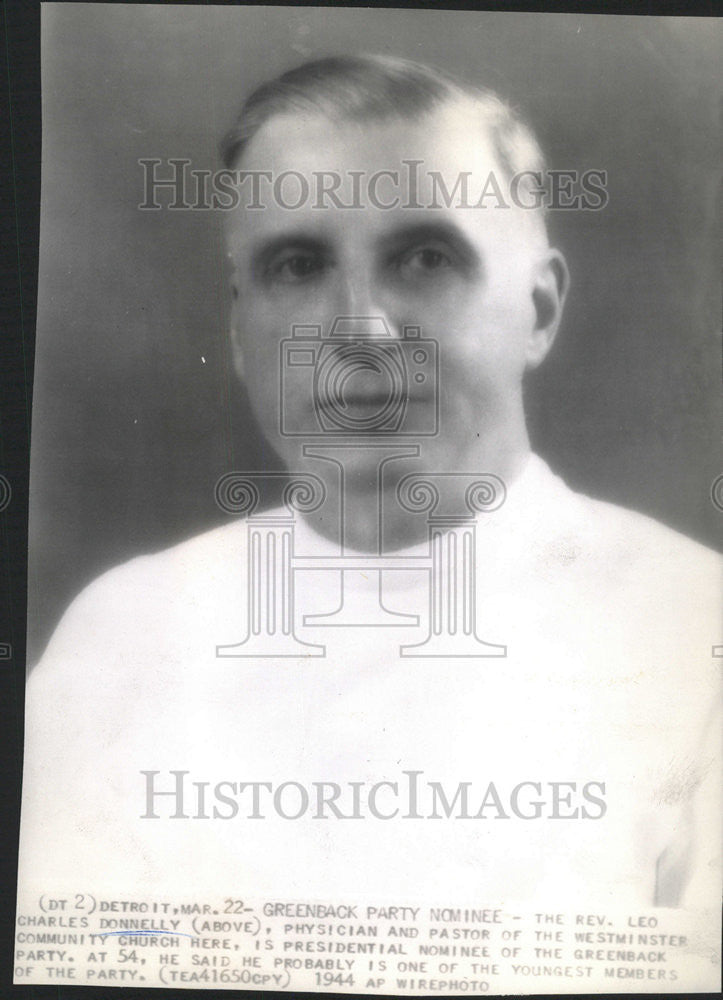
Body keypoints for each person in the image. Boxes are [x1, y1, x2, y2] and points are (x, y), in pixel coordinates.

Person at [18, 56, 720, 917]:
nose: (357, 330)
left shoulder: (695, 636)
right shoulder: (117, 635)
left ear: (537, 310)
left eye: (425, 257)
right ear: (240, 333)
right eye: (296, 266)